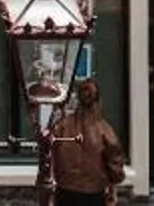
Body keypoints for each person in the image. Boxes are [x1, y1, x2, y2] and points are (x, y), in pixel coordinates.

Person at [46, 77, 125, 206]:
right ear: (98, 101)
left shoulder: (62, 126)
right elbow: (115, 163)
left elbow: (49, 155)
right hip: (93, 194)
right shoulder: (104, 129)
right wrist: (113, 184)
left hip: (65, 191)